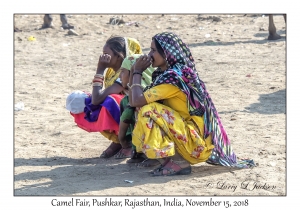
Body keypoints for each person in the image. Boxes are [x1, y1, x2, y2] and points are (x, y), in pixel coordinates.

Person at [129, 32, 254, 176]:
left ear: (167, 53)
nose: (149, 54)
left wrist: (137, 72)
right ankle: (166, 158)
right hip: (189, 138)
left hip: (196, 144)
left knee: (148, 110)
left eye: (153, 50)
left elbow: (136, 100)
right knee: (143, 108)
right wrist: (134, 71)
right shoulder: (166, 75)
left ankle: (178, 163)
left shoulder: (175, 79)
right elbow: (134, 101)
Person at [69, 36, 142, 158]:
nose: (102, 57)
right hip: (123, 112)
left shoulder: (125, 73)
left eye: (106, 54)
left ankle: (127, 141)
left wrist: (100, 69)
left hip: (133, 112)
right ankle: (118, 140)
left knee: (108, 102)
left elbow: (98, 99)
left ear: (119, 56)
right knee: (80, 101)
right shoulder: (111, 72)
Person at [114, 54, 156, 160]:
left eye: (123, 71)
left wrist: (122, 140)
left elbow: (127, 115)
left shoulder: (145, 96)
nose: (119, 76)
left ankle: (152, 156)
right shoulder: (127, 98)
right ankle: (139, 151)